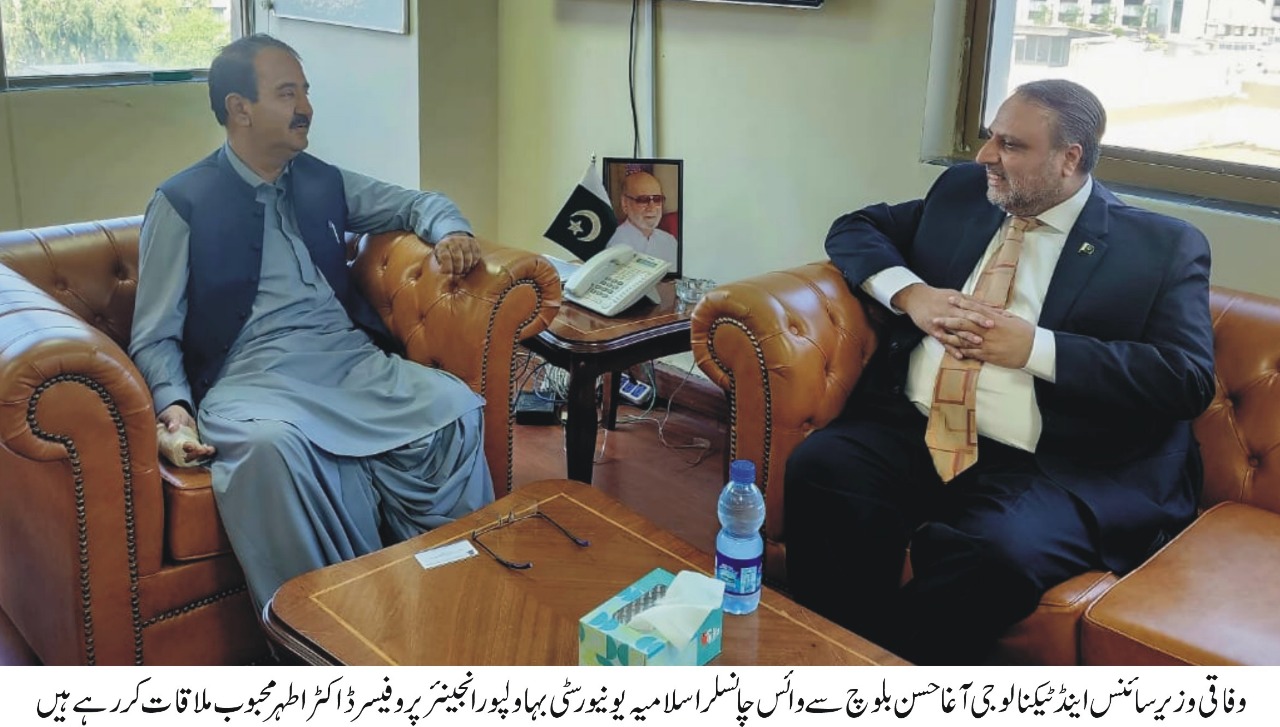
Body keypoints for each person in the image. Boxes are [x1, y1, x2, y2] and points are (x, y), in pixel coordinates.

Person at [784, 79, 1214, 664]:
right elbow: (855, 228)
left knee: (996, 554)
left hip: (1058, 461)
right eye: (990, 137)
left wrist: (1035, 348)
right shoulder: (966, 192)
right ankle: (827, 649)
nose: (986, 155)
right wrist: (912, 295)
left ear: (1069, 159)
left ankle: (878, 667)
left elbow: (1187, 378)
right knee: (821, 466)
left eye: (1010, 145)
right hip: (919, 424)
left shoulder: (1160, 246)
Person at [129, 34, 495, 609]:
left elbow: (418, 203)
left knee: (451, 407)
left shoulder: (322, 180)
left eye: (305, 92)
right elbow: (154, 334)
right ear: (240, 109)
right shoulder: (182, 202)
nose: (306, 108)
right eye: (287, 94)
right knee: (269, 448)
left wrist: (451, 233)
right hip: (251, 379)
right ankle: (333, 625)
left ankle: (454, 597)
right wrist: (173, 408)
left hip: (348, 362)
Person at [605, 171, 679, 266]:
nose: (652, 208)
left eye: (657, 199)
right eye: (643, 200)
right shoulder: (613, 242)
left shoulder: (669, 241)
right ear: (625, 204)